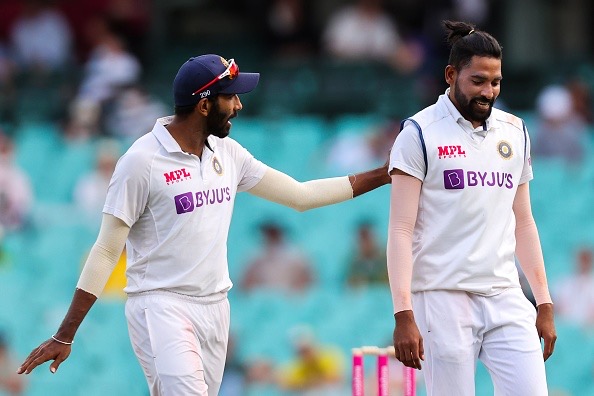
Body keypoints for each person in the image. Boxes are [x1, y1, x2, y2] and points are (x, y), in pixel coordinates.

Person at [18, 54, 391, 395]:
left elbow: (301, 195)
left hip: (216, 306)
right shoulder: (141, 162)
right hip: (161, 304)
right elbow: (105, 249)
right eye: (231, 98)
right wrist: (65, 335)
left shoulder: (228, 153)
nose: (239, 106)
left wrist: (386, 172)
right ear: (204, 104)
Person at [386, 21, 556, 395]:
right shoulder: (418, 133)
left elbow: (523, 223)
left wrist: (543, 302)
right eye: (478, 80)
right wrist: (403, 314)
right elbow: (400, 229)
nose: (488, 91)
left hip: (504, 293)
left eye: (495, 82)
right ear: (451, 74)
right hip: (441, 296)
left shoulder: (515, 131)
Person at [240, 220, 313, 293]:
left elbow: (308, 279)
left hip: (290, 297)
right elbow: (244, 283)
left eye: (273, 234)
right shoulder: (257, 256)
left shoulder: (295, 255)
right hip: (264, 297)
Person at [553, 247, 594, 328]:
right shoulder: (564, 283)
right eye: (581, 260)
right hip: (565, 326)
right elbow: (557, 307)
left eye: (586, 260)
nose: (583, 263)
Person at [345, 221, 389, 288]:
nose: (364, 243)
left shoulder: (389, 261)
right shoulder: (352, 264)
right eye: (362, 238)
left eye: (367, 237)